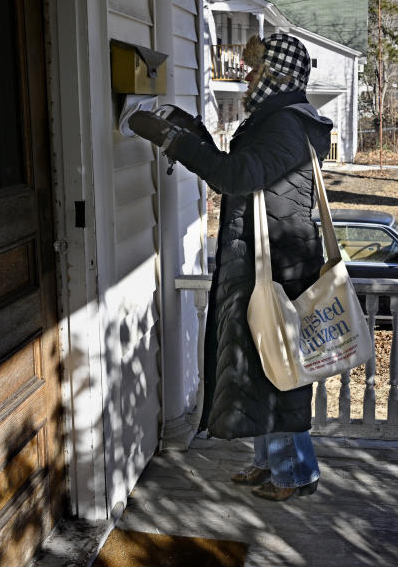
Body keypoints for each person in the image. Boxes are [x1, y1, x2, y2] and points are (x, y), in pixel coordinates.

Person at [129, 33, 333, 501]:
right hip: (267, 262)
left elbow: (233, 176)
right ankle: (269, 463)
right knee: (265, 368)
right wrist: (184, 127)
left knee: (280, 372)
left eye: (256, 70)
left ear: (278, 76)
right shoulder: (278, 119)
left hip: (279, 266)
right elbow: (237, 166)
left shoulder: (284, 125)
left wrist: (171, 139)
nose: (248, 77)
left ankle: (295, 473)